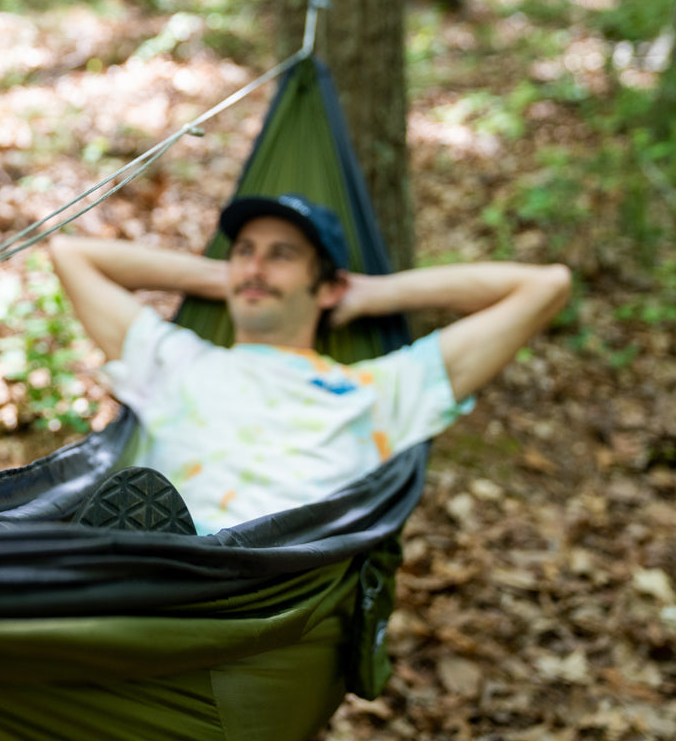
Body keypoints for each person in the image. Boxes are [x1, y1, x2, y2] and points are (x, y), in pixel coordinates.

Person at [50, 193, 571, 535]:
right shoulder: (174, 358)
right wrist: (232, 279)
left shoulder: (380, 390)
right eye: (245, 251)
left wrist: (374, 294)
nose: (254, 266)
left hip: (281, 589)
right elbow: (71, 254)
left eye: (280, 255)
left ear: (328, 285)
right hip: (156, 557)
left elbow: (545, 286)